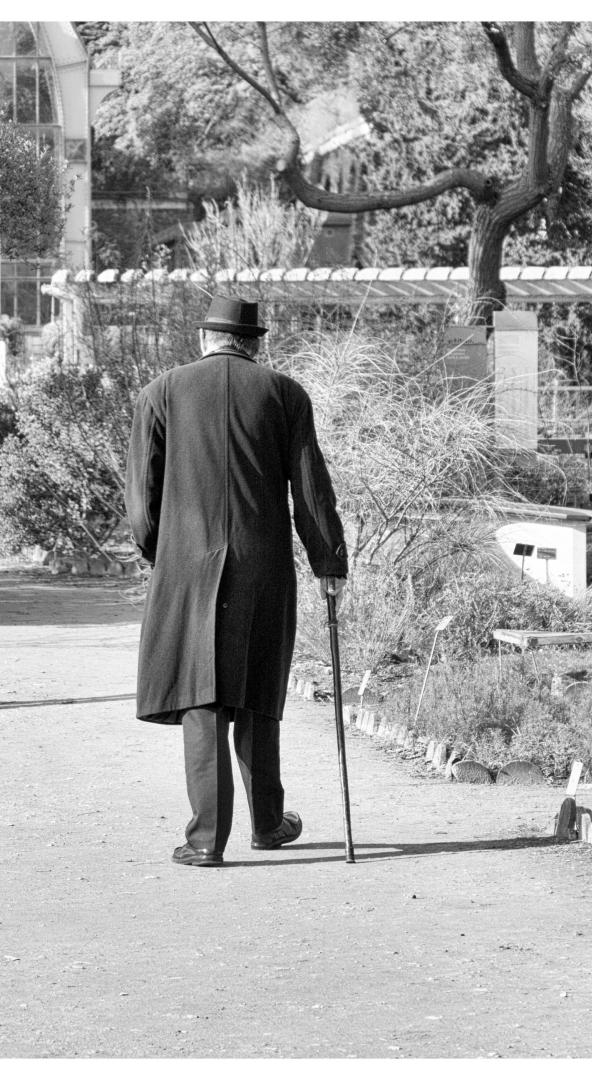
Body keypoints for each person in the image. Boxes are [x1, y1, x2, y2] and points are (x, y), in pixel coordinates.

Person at [124, 296, 348, 868]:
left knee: (202, 698)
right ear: (254, 343)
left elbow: (142, 503)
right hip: (262, 565)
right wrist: (330, 563)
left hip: (187, 567)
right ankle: (268, 824)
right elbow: (310, 488)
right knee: (257, 693)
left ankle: (205, 840)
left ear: (205, 339)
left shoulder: (162, 392)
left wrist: (160, 552)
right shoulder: (285, 394)